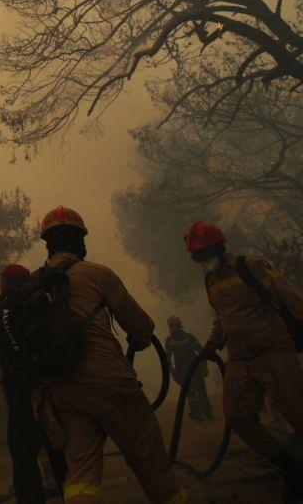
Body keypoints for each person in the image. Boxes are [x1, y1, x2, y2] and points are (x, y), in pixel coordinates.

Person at [36, 206, 186, 504]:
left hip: (63, 391)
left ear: (48, 244)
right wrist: (139, 339)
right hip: (110, 382)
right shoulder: (98, 274)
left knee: (80, 471)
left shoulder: (34, 283)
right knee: (148, 458)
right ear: (80, 241)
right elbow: (140, 327)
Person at [185, 221, 303, 502]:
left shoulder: (250, 266)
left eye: (206, 255)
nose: (204, 261)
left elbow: (293, 298)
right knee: (238, 417)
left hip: (274, 352)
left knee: (299, 416)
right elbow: (223, 317)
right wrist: (213, 343)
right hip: (239, 359)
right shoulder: (209, 280)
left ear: (220, 248)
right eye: (198, 258)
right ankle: (292, 467)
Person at [0, 264, 67, 504]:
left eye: (1, 280)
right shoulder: (41, 303)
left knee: (24, 459)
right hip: (51, 389)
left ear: (5, 283)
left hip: (20, 397)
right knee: (60, 451)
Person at [164, 315, 215, 421]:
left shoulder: (190, 337)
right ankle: (197, 414)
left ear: (179, 326)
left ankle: (208, 414)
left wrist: (204, 366)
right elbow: (167, 358)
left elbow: (201, 352)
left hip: (195, 369)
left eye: (174, 326)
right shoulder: (169, 341)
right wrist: (173, 372)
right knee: (191, 394)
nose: (172, 329)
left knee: (202, 392)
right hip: (182, 372)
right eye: (171, 326)